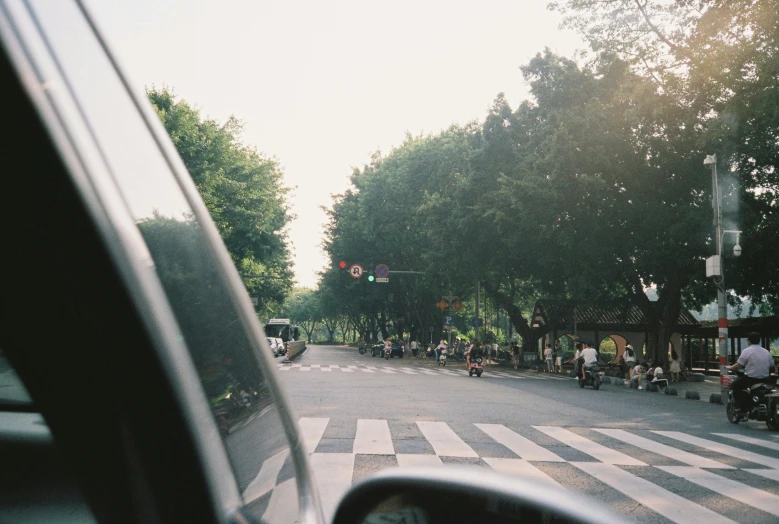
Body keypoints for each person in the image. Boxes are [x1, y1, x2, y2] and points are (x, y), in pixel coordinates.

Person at [726, 332, 776, 413]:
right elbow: (772, 365)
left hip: (750, 379)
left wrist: (729, 367)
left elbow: (738, 365)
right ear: (759, 341)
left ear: (749, 341)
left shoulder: (747, 351)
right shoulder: (766, 351)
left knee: (735, 386)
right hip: (764, 379)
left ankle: (740, 407)